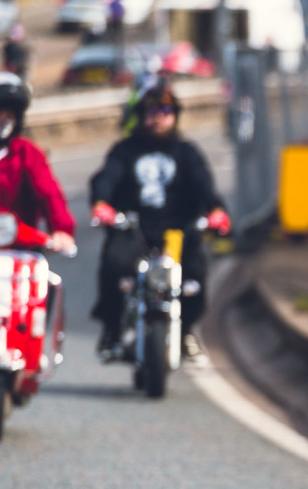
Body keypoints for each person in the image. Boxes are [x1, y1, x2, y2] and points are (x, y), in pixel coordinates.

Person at [89, 78, 230, 361]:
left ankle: (186, 330)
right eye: (152, 113)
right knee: (114, 268)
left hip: (176, 232)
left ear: (175, 116)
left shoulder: (186, 152)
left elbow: (204, 185)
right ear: (141, 116)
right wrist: (102, 204)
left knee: (195, 276)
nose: (158, 119)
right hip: (134, 229)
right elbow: (107, 179)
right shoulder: (125, 150)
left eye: (165, 112)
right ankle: (112, 330)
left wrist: (216, 210)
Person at [0, 73, 76, 254]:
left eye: (10, 114)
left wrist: (61, 230)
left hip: (22, 253)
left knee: (54, 283)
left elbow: (49, 193)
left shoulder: (28, 153)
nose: (3, 119)